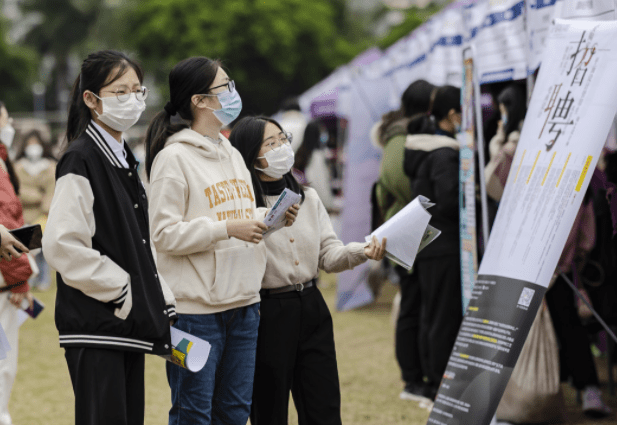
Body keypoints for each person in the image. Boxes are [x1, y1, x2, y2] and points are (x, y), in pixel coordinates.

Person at [145, 57, 297, 425]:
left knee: (234, 412)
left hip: (245, 305)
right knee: (192, 413)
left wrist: (270, 218)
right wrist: (226, 230)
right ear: (199, 100)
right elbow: (163, 235)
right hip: (193, 316)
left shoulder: (231, 152)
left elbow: (239, 214)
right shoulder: (173, 159)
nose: (233, 94)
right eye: (224, 87)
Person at [41, 50, 178, 425]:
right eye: (120, 91)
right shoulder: (81, 158)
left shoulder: (122, 158)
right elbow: (61, 244)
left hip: (124, 325)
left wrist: (157, 297)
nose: (132, 99)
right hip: (96, 325)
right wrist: (125, 291)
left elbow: (136, 243)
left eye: (137, 89)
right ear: (91, 98)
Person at [229, 116, 386, 425]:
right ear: (249, 154)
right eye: (270, 143)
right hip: (267, 312)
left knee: (323, 406)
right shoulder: (241, 208)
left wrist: (361, 251)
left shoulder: (309, 197)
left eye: (283, 139)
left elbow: (328, 255)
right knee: (269, 409)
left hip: (312, 306)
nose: (281, 148)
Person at [371, 79, 437, 405]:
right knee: (414, 307)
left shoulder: (404, 134)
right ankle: (413, 379)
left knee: (422, 306)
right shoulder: (401, 136)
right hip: (412, 233)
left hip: (417, 233)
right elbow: (398, 181)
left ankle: (422, 376)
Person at [402, 85, 463, 404]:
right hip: (443, 244)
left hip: (428, 243)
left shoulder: (423, 150)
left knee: (431, 314)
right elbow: (450, 201)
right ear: (452, 115)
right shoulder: (443, 153)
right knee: (441, 317)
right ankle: (440, 383)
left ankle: (433, 380)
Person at [0, 101, 34, 425]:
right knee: (3, 362)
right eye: (5, 118)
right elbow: (5, 226)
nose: (8, 124)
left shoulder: (3, 159)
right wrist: (19, 278)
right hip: (3, 280)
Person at [14, 130, 56, 290]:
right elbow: (17, 190)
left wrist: (46, 207)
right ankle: (29, 279)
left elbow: (53, 190)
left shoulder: (50, 166)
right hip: (24, 216)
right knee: (27, 251)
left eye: (35, 143)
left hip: (44, 215)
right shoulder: (18, 167)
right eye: (30, 144)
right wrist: (37, 195)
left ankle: (44, 279)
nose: (33, 147)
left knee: (44, 251)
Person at [484, 84, 526, 202]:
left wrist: (498, 138)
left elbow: (496, 165)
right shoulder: (516, 135)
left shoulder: (514, 141)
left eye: (503, 112)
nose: (502, 117)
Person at [293, 119, 334, 211]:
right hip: (315, 204)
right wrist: (329, 205)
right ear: (316, 135)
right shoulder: (316, 156)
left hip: (302, 202)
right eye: (322, 132)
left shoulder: (300, 152)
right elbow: (319, 182)